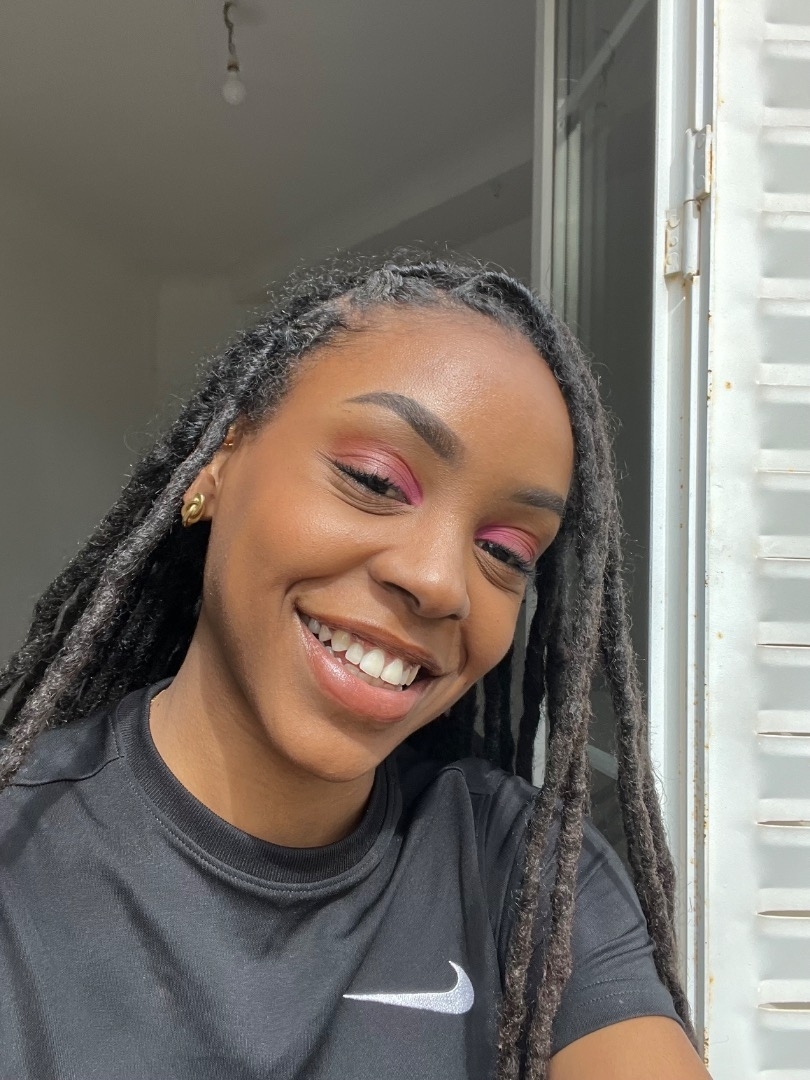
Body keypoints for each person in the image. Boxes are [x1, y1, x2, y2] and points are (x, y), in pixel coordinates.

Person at [0, 255, 710, 1080]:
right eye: (374, 480)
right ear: (218, 462)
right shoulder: (19, 847)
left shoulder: (523, 874)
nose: (440, 582)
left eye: (506, 552)